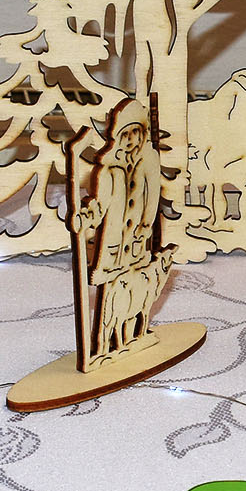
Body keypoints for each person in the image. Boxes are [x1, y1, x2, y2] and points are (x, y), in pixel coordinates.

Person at [78, 103, 164, 357]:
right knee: (111, 291)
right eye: (124, 134)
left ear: (142, 133)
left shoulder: (148, 160)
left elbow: (153, 195)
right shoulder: (109, 169)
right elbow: (101, 204)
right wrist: (88, 217)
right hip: (114, 242)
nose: (129, 139)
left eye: (134, 133)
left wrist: (146, 225)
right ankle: (105, 344)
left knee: (134, 287)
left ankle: (129, 337)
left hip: (136, 239)